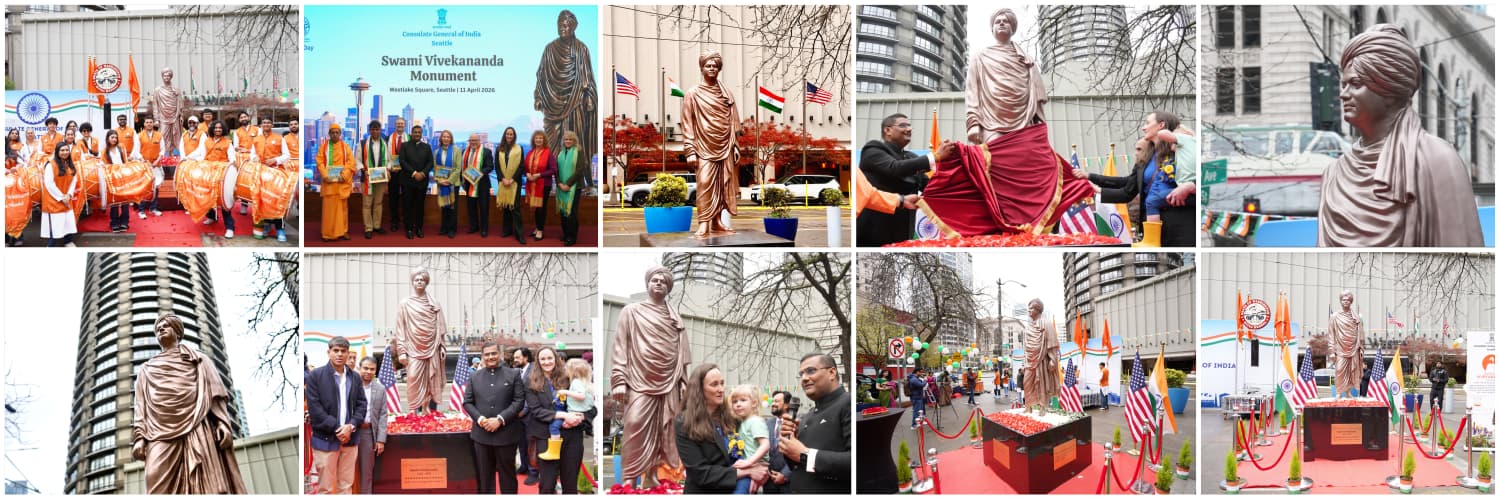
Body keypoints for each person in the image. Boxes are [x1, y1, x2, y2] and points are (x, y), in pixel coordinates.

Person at [1320, 24, 1482, 247]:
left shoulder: (1438, 160)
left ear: (1388, 89)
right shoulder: (1333, 174)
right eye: (1343, 84)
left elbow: (1462, 262)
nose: (1343, 94)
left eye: (1355, 84)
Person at [131, 314, 246, 494]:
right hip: (158, 432)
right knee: (155, 481)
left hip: (197, 423)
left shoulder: (199, 360)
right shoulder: (146, 370)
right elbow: (141, 407)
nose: (160, 328)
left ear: (178, 332)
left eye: (166, 325)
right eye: (158, 327)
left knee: (207, 486)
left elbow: (215, 392)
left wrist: (222, 422)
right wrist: (139, 437)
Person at [611, 266, 692, 487]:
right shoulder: (631, 311)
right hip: (638, 379)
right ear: (647, 284)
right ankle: (629, 478)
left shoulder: (675, 316)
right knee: (634, 424)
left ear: (668, 288)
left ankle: (652, 476)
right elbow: (620, 346)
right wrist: (619, 380)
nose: (659, 283)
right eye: (655, 280)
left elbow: (680, 351)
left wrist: (683, 381)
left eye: (663, 282)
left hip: (669, 380)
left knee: (662, 429)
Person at [857, 114, 947, 246]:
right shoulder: (873, 149)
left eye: (909, 125)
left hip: (903, 232)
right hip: (873, 231)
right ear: (887, 130)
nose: (909, 129)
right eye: (903, 125)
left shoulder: (912, 157)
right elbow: (894, 168)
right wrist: (935, 157)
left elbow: (929, 187)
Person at [676, 363, 765, 494]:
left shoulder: (733, 417)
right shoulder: (684, 422)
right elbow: (700, 473)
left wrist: (757, 472)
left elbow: (752, 446)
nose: (721, 389)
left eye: (722, 383)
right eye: (714, 384)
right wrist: (746, 472)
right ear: (699, 389)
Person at [680, 48, 741, 237]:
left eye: (715, 66)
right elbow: (687, 123)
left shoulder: (727, 94)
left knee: (723, 184)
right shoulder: (692, 93)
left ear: (719, 69)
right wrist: (690, 150)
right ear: (702, 68)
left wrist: (735, 145)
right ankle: (704, 222)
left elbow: (733, 121)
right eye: (708, 65)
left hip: (725, 145)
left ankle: (717, 221)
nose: (712, 68)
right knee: (705, 183)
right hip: (703, 147)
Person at [535, 9, 597, 182]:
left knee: (577, 143)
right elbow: (541, 75)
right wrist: (538, 96)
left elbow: (587, 77)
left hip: (575, 102)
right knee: (553, 144)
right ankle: (555, 179)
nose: (562, 28)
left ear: (572, 27)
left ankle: (583, 181)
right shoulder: (549, 49)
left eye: (566, 25)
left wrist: (589, 96)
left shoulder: (581, 49)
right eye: (559, 25)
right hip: (552, 103)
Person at [777, 354, 851, 494]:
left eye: (811, 371)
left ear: (831, 373)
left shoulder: (848, 403)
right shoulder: (807, 416)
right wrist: (789, 446)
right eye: (801, 374)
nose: (804, 378)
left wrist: (805, 455)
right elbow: (796, 465)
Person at [524, 347, 593, 494]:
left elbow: (590, 406)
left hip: (572, 437)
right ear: (538, 361)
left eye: (550, 358)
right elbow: (536, 411)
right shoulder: (531, 382)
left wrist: (580, 417)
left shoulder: (569, 378)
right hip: (546, 437)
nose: (547, 362)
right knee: (547, 484)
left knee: (570, 484)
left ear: (556, 359)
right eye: (543, 359)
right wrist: (563, 416)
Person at [306, 336, 368, 495]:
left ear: (348, 353)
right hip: (325, 439)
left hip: (350, 439)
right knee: (326, 489)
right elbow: (315, 409)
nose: (339, 354)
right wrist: (337, 428)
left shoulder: (355, 377)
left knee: (346, 487)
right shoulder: (315, 376)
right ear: (329, 352)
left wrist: (351, 426)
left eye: (343, 351)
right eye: (336, 351)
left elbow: (361, 404)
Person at [463, 342, 525, 494]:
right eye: (487, 354)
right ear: (482, 357)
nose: (490, 357)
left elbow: (519, 401)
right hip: (481, 435)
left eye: (493, 353)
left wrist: (499, 419)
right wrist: (480, 419)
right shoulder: (474, 376)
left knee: (508, 475)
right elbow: (468, 402)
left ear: (500, 354)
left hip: (506, 434)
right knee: (484, 476)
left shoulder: (514, 374)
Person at [393, 268, 447, 413]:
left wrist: (442, 346)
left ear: (426, 282)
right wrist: (402, 351)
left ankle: (425, 409)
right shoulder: (405, 303)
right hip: (413, 348)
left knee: (431, 378)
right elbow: (400, 329)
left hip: (433, 346)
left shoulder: (434, 303)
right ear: (412, 282)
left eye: (422, 280)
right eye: (416, 280)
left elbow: (440, 327)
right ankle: (412, 410)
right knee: (413, 378)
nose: (419, 282)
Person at [541, 357, 593, 461]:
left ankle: (553, 450)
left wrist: (565, 392)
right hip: (577, 412)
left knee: (554, 426)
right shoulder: (585, 383)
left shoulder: (576, 382)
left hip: (575, 411)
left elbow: (581, 396)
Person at [193, 120, 238, 238]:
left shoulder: (228, 142)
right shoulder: (206, 141)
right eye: (216, 128)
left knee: (223, 200)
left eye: (220, 128)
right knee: (208, 195)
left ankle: (230, 227)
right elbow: (202, 156)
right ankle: (212, 217)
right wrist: (191, 160)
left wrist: (231, 167)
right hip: (207, 173)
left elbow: (232, 158)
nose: (218, 130)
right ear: (212, 129)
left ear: (223, 129)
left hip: (221, 174)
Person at [250, 117, 290, 242]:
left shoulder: (279, 138)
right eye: (264, 123)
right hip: (261, 173)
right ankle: (266, 226)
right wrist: (254, 158)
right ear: (261, 125)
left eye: (268, 122)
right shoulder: (256, 139)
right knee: (263, 200)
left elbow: (287, 155)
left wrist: (275, 160)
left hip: (277, 173)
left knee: (278, 201)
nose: (266, 124)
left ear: (271, 124)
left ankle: (280, 229)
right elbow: (252, 155)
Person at [727, 384, 770, 494]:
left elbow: (765, 445)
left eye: (743, 400)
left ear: (754, 403)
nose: (738, 404)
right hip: (748, 466)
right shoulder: (742, 422)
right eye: (735, 401)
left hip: (756, 465)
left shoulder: (755, 421)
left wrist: (749, 462)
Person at [317, 123, 354, 242]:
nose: (334, 134)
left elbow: (350, 162)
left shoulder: (346, 146)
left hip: (341, 183)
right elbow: (320, 162)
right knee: (329, 210)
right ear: (329, 134)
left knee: (342, 209)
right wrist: (325, 175)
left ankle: (343, 231)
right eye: (332, 132)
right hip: (329, 183)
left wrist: (344, 176)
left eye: (337, 132)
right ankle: (327, 234)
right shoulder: (324, 146)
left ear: (340, 134)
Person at [356, 356, 388, 495]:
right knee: (347, 471)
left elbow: (383, 414)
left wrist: (381, 439)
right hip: (350, 432)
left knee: (366, 472)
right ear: (359, 368)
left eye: (372, 369)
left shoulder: (380, 389)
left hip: (368, 433)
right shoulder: (350, 385)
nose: (368, 371)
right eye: (366, 368)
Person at [355, 120, 390, 239]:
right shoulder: (363, 143)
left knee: (378, 202)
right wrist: (363, 170)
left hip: (381, 177)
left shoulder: (385, 143)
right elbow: (357, 160)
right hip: (368, 178)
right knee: (367, 204)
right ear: (370, 130)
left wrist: (388, 169)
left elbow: (389, 160)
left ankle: (376, 225)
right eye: (373, 129)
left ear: (380, 130)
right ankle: (368, 227)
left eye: (377, 129)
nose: (375, 131)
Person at [397, 125, 433, 239]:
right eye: (415, 132)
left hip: (422, 182)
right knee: (407, 206)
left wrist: (422, 173)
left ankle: (418, 228)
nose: (417, 134)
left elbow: (430, 163)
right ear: (411, 133)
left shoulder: (427, 147)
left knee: (419, 206)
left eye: (419, 132)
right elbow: (402, 161)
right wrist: (414, 173)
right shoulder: (404, 146)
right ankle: (408, 229)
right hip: (408, 181)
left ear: (421, 134)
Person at [1022, 299, 1060, 407]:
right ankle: (1028, 406)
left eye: (1032, 308)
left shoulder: (1046, 324)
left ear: (1038, 310)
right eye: (1028, 308)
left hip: (1042, 360)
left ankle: (1043, 407)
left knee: (1042, 384)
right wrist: (1024, 360)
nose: (1029, 311)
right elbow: (1026, 348)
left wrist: (1053, 360)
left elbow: (1052, 342)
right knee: (1027, 383)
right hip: (1030, 362)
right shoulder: (1027, 328)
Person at [41, 143, 79, 247]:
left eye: (67, 150)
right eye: (62, 150)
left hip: (67, 198)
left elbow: (74, 181)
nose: (65, 152)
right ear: (57, 152)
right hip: (54, 201)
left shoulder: (70, 164)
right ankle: (51, 246)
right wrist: (62, 197)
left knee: (68, 223)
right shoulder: (50, 165)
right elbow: (49, 184)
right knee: (55, 227)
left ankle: (68, 241)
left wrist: (69, 195)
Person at [1329, 290, 1365, 397]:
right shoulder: (1334, 317)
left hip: (1354, 348)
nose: (1345, 302)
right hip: (1340, 348)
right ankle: (1339, 393)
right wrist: (1332, 351)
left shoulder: (1356, 318)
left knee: (1351, 372)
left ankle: (1348, 392)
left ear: (1351, 302)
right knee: (1340, 370)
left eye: (1348, 300)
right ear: (1340, 301)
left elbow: (1361, 334)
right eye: (1343, 300)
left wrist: (1361, 348)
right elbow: (1331, 335)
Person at [458, 131, 494, 238]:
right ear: (469, 141)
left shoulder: (486, 152)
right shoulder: (464, 151)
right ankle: (474, 226)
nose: (473, 142)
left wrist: (478, 174)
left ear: (479, 141)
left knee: (483, 208)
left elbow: (490, 166)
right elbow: (462, 167)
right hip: (469, 184)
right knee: (471, 207)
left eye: (475, 140)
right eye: (471, 140)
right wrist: (463, 181)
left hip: (482, 184)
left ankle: (484, 229)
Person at [492, 128, 525, 243]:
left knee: (515, 207)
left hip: (514, 183)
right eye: (507, 134)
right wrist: (502, 179)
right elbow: (497, 166)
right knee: (506, 206)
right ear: (504, 135)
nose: (509, 136)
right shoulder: (499, 149)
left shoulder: (519, 149)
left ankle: (519, 234)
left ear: (514, 135)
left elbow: (521, 166)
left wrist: (512, 179)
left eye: (511, 134)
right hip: (503, 182)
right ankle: (507, 230)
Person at [511, 347, 538, 485]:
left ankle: (533, 472)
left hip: (530, 415)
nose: (514, 360)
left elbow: (532, 393)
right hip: (517, 416)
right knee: (521, 443)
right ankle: (524, 466)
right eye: (514, 357)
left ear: (526, 357)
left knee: (531, 444)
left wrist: (524, 410)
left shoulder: (534, 371)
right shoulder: (516, 371)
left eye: (517, 357)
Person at [524, 130, 557, 241]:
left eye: (541, 138)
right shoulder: (530, 153)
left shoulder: (548, 153)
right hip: (532, 184)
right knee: (536, 208)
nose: (538, 140)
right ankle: (537, 227)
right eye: (537, 138)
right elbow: (525, 168)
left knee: (541, 208)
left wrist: (539, 175)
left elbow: (553, 170)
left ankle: (540, 230)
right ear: (534, 140)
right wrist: (527, 174)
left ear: (544, 140)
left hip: (544, 185)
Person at [131, 117, 164, 219]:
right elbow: (137, 151)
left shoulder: (159, 135)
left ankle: (153, 208)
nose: (149, 124)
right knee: (144, 187)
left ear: (153, 123)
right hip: (144, 165)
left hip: (156, 165)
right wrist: (145, 161)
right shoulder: (139, 136)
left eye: (151, 122)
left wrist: (157, 161)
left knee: (156, 186)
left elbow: (162, 150)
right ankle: (141, 210)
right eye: (147, 122)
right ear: (144, 124)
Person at [763, 390, 796, 494]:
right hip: (769, 481)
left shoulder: (795, 423)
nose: (773, 404)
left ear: (786, 405)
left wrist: (785, 475)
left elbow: (799, 453)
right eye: (773, 401)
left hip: (789, 483)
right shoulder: (767, 423)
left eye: (777, 401)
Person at [151, 67, 189, 156]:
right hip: (163, 117)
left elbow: (180, 104)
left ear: (171, 77)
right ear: (162, 77)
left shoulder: (176, 90)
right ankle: (163, 156)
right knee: (163, 136)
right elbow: (155, 105)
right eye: (164, 76)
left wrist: (181, 116)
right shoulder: (158, 90)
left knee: (176, 136)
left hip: (175, 116)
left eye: (168, 76)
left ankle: (176, 156)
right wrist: (156, 119)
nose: (166, 77)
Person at [555, 130, 584, 246]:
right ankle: (566, 233)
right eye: (566, 139)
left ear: (574, 140)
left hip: (574, 187)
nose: (568, 141)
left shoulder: (579, 152)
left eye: (570, 139)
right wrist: (559, 184)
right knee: (563, 211)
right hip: (561, 187)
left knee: (571, 213)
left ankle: (572, 236)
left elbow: (579, 170)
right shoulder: (560, 153)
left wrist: (568, 184)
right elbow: (556, 170)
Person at [432, 130, 461, 238]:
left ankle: (452, 229)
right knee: (444, 206)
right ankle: (444, 227)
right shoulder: (436, 152)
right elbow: (435, 168)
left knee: (453, 207)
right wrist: (440, 180)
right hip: (441, 183)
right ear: (441, 139)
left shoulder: (456, 150)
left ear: (451, 139)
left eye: (448, 137)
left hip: (453, 184)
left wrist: (449, 181)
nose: (446, 138)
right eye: (444, 136)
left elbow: (458, 169)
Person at [101, 130, 132, 232]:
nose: (114, 139)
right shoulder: (104, 151)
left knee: (125, 200)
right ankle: (114, 222)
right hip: (112, 178)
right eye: (112, 137)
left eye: (115, 137)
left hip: (123, 176)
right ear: (108, 138)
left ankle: (124, 222)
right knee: (114, 201)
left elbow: (125, 161)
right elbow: (104, 165)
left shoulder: (121, 147)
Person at [387, 118, 409, 233]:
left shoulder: (409, 138)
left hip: (406, 173)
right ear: (395, 125)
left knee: (406, 198)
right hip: (394, 172)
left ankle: (406, 221)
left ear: (405, 125)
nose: (400, 125)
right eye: (398, 124)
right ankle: (394, 221)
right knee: (393, 198)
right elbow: (387, 155)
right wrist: (390, 168)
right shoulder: (389, 138)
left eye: (402, 123)